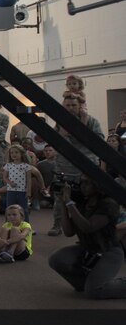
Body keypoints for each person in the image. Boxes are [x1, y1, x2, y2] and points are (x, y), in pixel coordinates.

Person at [48, 175, 126, 299]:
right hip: (88, 249)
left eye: (88, 183)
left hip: (109, 251)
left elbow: (88, 227)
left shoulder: (109, 204)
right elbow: (68, 232)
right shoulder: (83, 202)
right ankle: (84, 283)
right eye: (82, 183)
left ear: (98, 186)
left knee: (95, 291)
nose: (83, 186)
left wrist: (69, 203)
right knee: (56, 259)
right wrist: (63, 204)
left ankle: (96, 286)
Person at [49, 94, 105, 236]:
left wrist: (83, 129)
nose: (70, 108)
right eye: (67, 105)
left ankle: (84, 225)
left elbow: (99, 140)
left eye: (74, 105)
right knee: (60, 196)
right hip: (64, 165)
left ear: (80, 106)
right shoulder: (60, 122)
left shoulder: (91, 121)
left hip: (85, 165)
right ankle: (57, 224)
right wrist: (62, 134)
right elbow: (54, 142)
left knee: (87, 197)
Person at [1, 144, 31, 222]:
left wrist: (28, 190)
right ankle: (8, 224)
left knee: (23, 208)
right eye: (12, 153)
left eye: (16, 152)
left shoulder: (26, 166)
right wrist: (10, 183)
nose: (14, 154)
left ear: (21, 153)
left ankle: (26, 225)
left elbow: (28, 179)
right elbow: (5, 177)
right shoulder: (8, 165)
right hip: (11, 191)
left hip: (22, 191)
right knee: (9, 208)